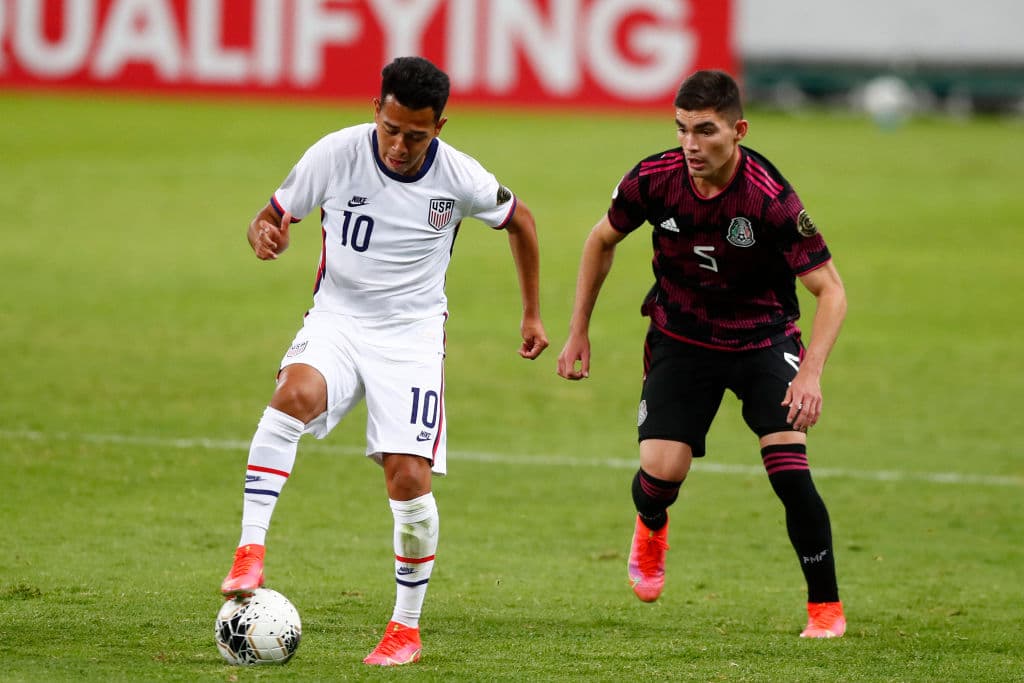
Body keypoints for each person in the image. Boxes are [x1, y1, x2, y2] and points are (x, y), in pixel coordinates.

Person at [220, 56, 549, 666]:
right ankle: (249, 551)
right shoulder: (336, 153)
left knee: (407, 479)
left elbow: (521, 220)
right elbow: (269, 217)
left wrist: (532, 313)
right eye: (391, 129)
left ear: (440, 126)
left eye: (416, 135)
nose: (399, 146)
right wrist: (265, 233)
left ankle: (405, 629)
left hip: (411, 337)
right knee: (292, 395)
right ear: (377, 110)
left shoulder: (460, 177)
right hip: (338, 319)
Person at [556, 70, 847, 638]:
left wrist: (810, 371)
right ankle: (651, 522)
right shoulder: (653, 180)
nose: (690, 144)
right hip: (683, 338)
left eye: (705, 131)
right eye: (682, 129)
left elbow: (830, 290)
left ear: (737, 130)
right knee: (661, 475)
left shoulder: (769, 199)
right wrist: (578, 330)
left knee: (790, 471)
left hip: (764, 338)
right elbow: (600, 240)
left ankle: (825, 608)